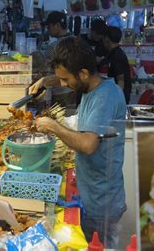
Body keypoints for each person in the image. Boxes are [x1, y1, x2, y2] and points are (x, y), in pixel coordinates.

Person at [29, 36, 126, 248]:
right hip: (91, 193)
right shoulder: (92, 86)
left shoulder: (104, 97)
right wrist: (47, 81)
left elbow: (88, 144)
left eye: (65, 80)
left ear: (83, 73)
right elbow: (69, 79)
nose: (63, 85)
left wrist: (54, 126)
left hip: (102, 205)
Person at [103, 26, 132, 104]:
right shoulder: (115, 53)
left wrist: (117, 100)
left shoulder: (116, 56)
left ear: (106, 39)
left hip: (119, 97)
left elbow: (120, 80)